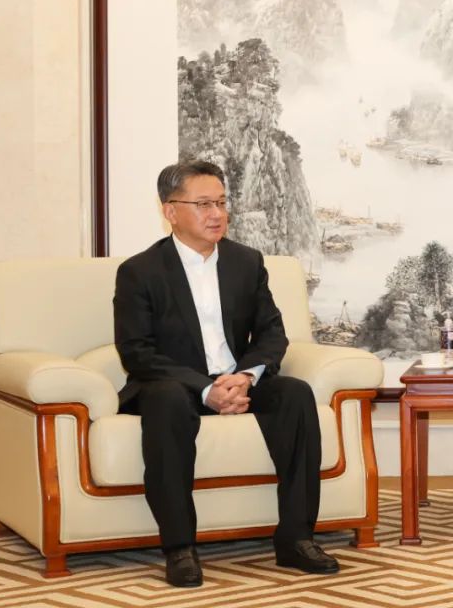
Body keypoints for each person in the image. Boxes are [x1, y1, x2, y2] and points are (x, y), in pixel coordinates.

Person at [114, 160, 339, 587]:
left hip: (237, 381)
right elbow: (136, 352)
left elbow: (271, 333)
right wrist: (205, 389)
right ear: (170, 211)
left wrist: (247, 377)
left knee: (294, 393)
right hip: (174, 385)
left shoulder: (246, 262)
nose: (217, 214)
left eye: (221, 202)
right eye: (203, 204)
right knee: (165, 398)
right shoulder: (140, 272)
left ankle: (296, 539)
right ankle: (180, 547)